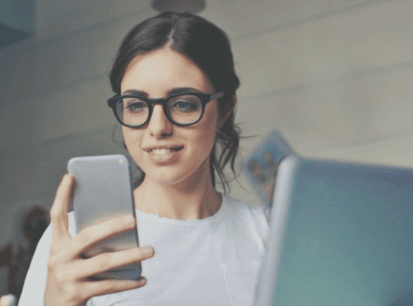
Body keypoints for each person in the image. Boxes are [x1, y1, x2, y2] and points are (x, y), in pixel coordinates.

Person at [18, 11, 268, 306]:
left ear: (225, 110)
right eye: (136, 105)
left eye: (184, 103)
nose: (158, 128)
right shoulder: (76, 242)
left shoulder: (269, 233)